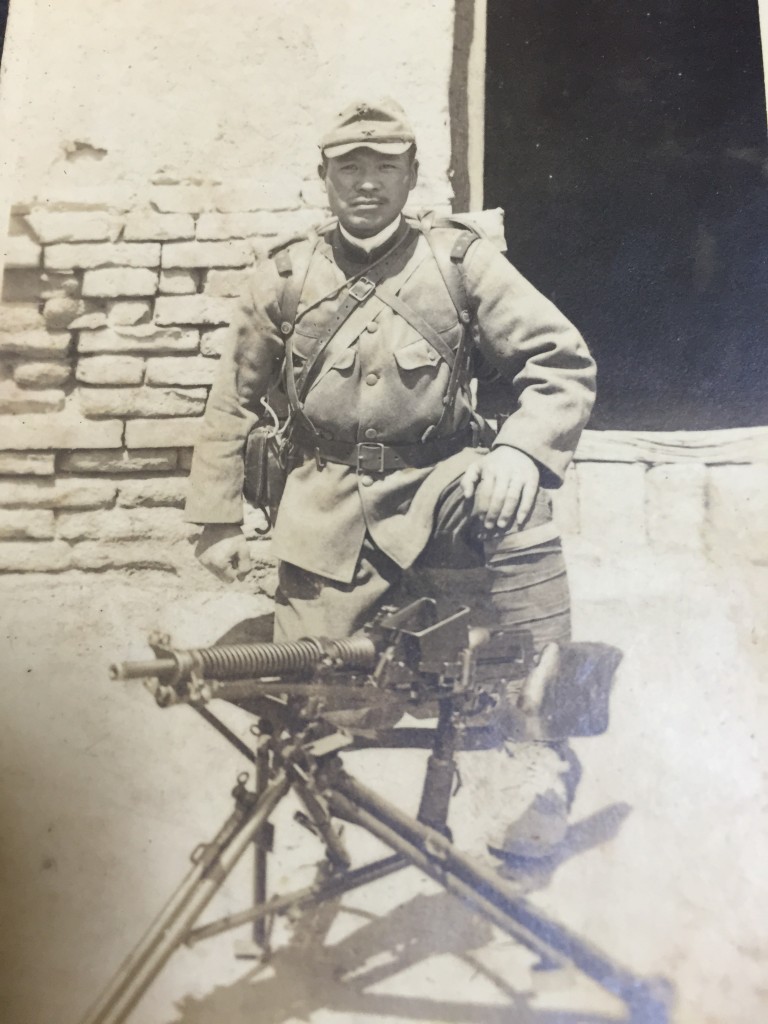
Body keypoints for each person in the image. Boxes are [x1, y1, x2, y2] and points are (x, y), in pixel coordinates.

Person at [185, 99, 596, 858]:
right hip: (325, 502)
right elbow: (231, 401)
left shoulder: (459, 263)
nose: (366, 185)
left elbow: (561, 364)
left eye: (383, 168)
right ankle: (323, 792)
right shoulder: (282, 275)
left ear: (412, 176)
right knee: (333, 697)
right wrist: (214, 524)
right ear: (324, 179)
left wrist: (519, 452)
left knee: (522, 505)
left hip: (439, 483)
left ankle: (543, 755)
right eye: (350, 169)